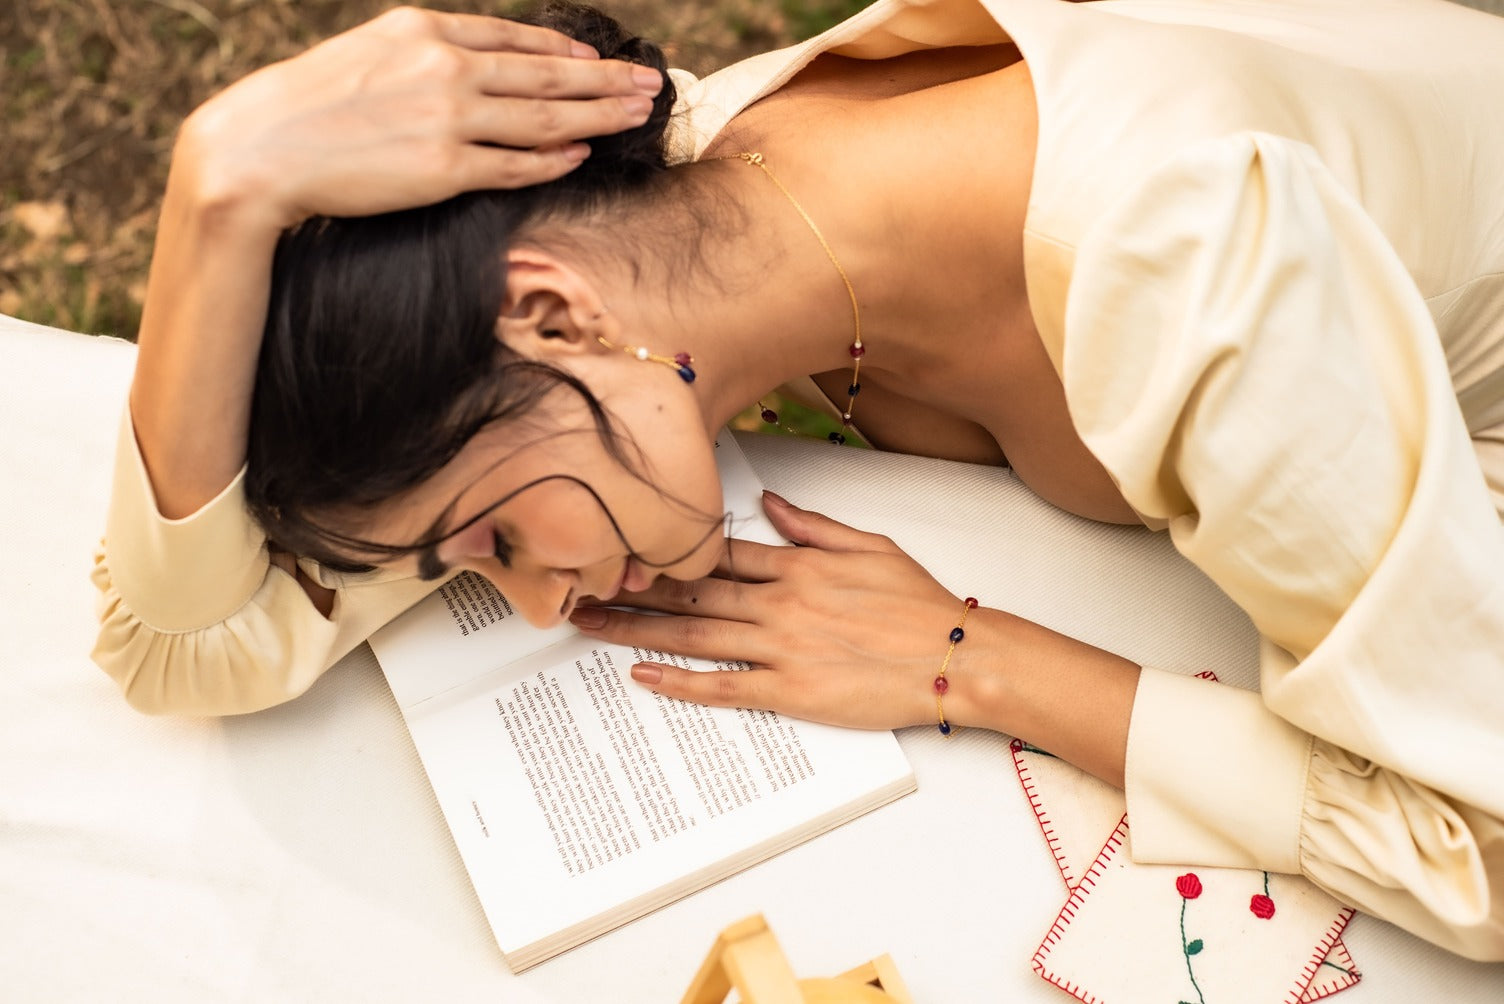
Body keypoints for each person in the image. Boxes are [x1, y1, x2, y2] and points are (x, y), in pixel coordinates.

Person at [92, 0, 1504, 961]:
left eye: (495, 538)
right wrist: (218, 195)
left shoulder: (1198, 281)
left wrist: (977, 663)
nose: (531, 606)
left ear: (555, 317)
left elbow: (1480, 850)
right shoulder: (715, 191)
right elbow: (179, 637)